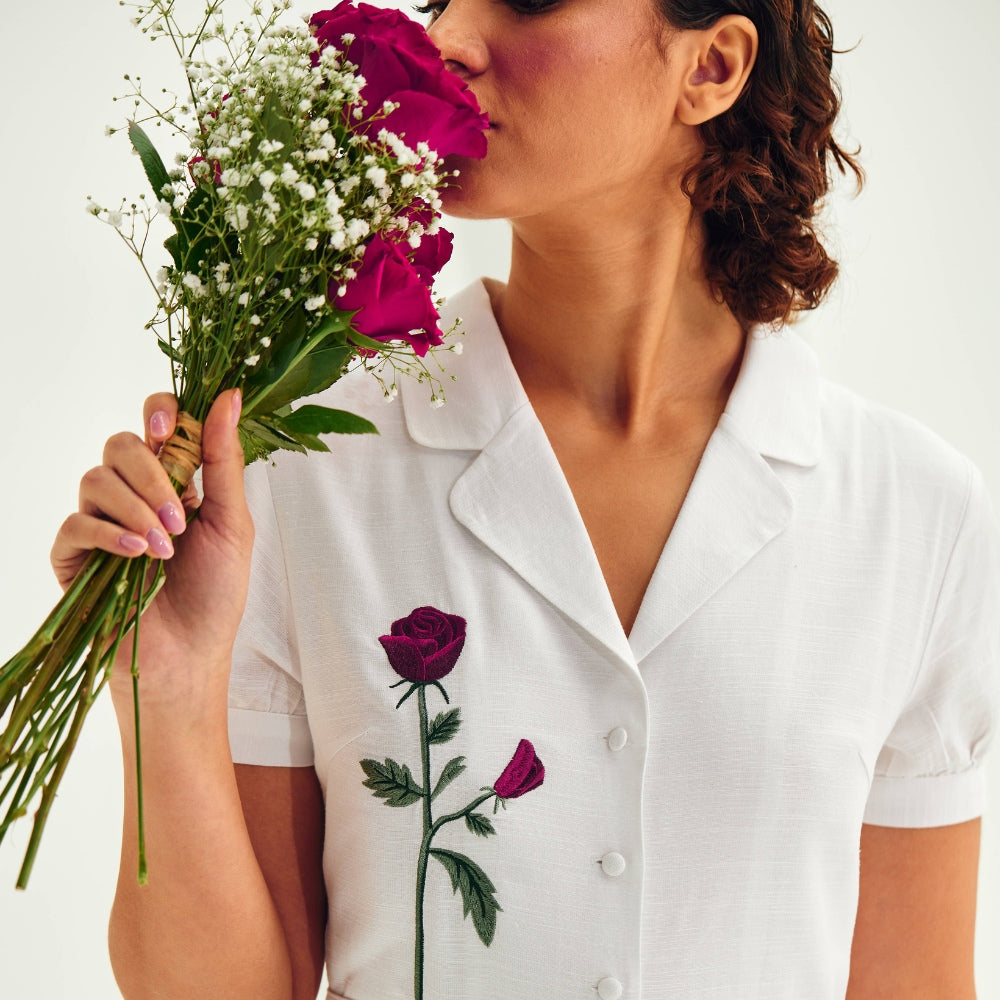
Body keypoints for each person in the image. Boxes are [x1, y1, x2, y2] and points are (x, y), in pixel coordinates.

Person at [50, 1, 999, 998]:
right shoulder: (300, 478)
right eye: (444, 0)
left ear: (712, 67)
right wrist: (165, 688)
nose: (449, 40)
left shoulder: (913, 516)